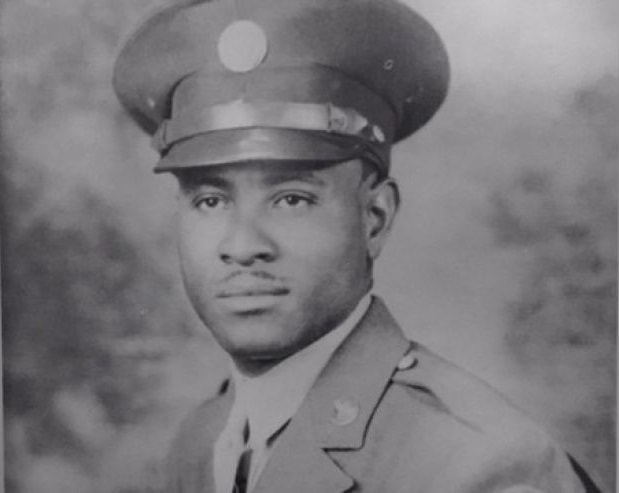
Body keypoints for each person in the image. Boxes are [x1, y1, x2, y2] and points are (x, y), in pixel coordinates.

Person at [113, 0, 602, 491]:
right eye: (210, 201)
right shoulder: (200, 441)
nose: (242, 246)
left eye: (291, 199)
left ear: (374, 218)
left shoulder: (478, 466)